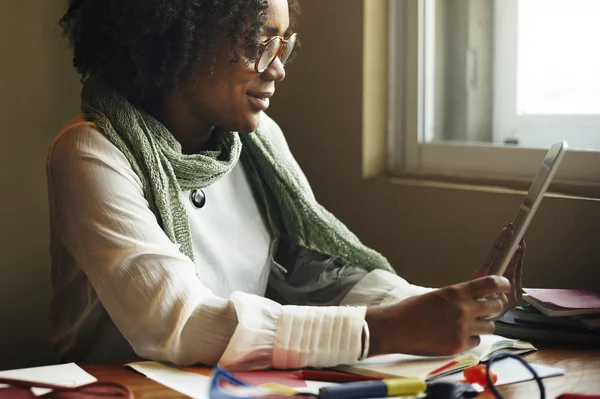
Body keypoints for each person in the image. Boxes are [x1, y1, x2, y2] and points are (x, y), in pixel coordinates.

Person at [47, 0, 525, 370]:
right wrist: (382, 331)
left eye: (284, 45)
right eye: (259, 42)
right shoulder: (91, 153)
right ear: (174, 42)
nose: (277, 69)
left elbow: (310, 274)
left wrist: (443, 306)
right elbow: (180, 322)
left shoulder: (258, 143)